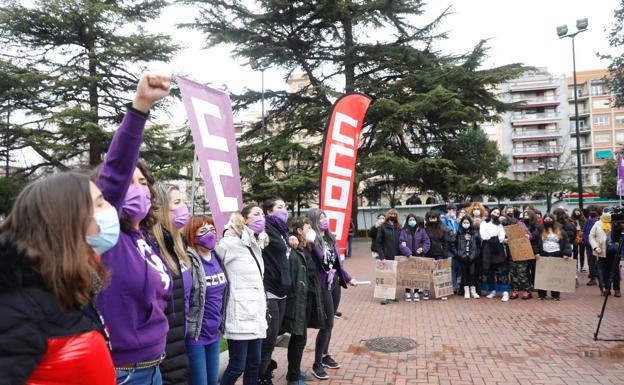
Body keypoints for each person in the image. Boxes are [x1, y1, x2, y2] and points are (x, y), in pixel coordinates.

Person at [0, 172, 116, 385]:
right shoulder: (19, 309)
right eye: (100, 204)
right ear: (67, 220)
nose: (111, 210)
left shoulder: (69, 284)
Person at [95, 74, 172, 385]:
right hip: (122, 372)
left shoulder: (144, 240)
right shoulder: (107, 237)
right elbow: (115, 171)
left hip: (153, 366)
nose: (137, 189)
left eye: (143, 183)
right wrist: (140, 106)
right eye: (129, 183)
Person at [217, 206, 269, 385]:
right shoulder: (229, 243)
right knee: (237, 366)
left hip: (256, 313)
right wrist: (227, 232)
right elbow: (216, 262)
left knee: (254, 363)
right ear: (245, 220)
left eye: (262, 214)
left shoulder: (255, 243)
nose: (261, 217)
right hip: (239, 314)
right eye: (256, 214)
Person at [306, 208, 357, 380]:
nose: (324, 220)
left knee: (331, 323)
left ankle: (325, 355)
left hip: (334, 282)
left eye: (325, 217)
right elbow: (319, 259)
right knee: (326, 324)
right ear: (313, 221)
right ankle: (317, 363)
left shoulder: (330, 238)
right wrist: (312, 238)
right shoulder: (311, 240)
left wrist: (348, 278)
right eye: (320, 218)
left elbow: (337, 264)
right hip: (321, 285)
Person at [152, 183, 192, 385]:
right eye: (177, 203)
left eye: (183, 202)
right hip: (162, 347)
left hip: (181, 339)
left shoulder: (179, 244)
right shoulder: (153, 247)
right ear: (159, 210)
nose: (184, 207)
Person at [258, 197, 297, 385]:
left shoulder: (282, 230)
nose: (284, 210)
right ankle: (261, 376)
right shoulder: (264, 227)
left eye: (285, 206)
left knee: (274, 336)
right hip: (269, 290)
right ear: (269, 212)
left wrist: (290, 237)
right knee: (269, 336)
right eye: (280, 207)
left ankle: (264, 368)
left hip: (282, 290)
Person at [184, 215, 226, 385]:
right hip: (196, 335)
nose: (209, 234)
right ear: (192, 236)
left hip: (214, 333)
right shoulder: (188, 261)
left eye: (212, 229)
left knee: (212, 381)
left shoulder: (218, 257)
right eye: (202, 231)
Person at [282, 217, 323, 385]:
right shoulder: (293, 248)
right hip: (298, 299)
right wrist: (288, 239)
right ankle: (293, 377)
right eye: (308, 228)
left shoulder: (308, 248)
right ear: (299, 231)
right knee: (299, 339)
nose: (311, 230)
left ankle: (294, 371)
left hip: (308, 297)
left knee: (300, 338)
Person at [531, 214, 572, 300]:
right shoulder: (539, 230)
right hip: (543, 254)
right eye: (546, 219)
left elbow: (566, 242)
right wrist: (536, 252)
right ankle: (542, 294)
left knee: (555, 275)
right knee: (542, 275)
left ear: (553, 220)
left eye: (550, 219)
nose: (548, 221)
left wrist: (566, 253)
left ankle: (555, 295)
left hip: (556, 253)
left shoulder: (560, 230)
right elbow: (533, 241)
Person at [479, 208, 510, 302]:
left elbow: (501, 237)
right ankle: (492, 290)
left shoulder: (500, 225)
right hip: (487, 247)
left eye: (498, 213)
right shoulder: (483, 223)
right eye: (494, 212)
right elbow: (483, 235)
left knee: (501, 270)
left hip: (498, 247)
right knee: (489, 269)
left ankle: (505, 292)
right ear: (490, 212)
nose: (496, 214)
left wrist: (494, 237)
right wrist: (493, 236)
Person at [399, 214, 430, 302]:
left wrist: (423, 249)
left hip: (418, 257)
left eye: (413, 219)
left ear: (416, 221)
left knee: (417, 275)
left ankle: (416, 292)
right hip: (408, 257)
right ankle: (408, 292)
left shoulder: (422, 231)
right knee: (407, 275)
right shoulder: (403, 231)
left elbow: (427, 242)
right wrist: (408, 253)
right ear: (407, 221)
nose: (412, 221)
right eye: (410, 220)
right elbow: (401, 244)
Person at [375, 209, 402, 305]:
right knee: (386, 277)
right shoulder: (382, 227)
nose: (393, 215)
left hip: (397, 256)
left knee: (394, 277)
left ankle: (392, 295)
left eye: (395, 214)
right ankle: (385, 297)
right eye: (391, 213)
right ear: (387, 215)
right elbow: (378, 243)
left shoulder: (399, 227)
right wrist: (382, 257)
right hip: (386, 256)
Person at [424, 210, 452, 300]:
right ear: (428, 218)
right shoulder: (424, 229)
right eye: (431, 218)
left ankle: (442, 292)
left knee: (440, 274)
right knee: (427, 274)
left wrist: (445, 253)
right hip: (427, 254)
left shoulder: (442, 228)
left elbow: (446, 242)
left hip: (440, 253)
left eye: (434, 217)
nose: (433, 219)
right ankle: (426, 291)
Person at [453, 216, 481, 299]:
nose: (466, 224)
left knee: (472, 274)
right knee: (464, 274)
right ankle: (466, 291)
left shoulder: (475, 233)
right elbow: (453, 245)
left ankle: (473, 290)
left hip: (472, 257)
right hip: (462, 257)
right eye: (464, 223)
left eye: (467, 223)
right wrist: (458, 254)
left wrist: (475, 255)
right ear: (461, 223)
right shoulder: (459, 233)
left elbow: (479, 246)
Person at [441, 205, 461, 294]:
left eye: (453, 209)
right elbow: (445, 229)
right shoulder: (443, 220)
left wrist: (458, 221)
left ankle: (456, 284)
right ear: (447, 211)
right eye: (449, 209)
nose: (451, 211)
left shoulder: (456, 220)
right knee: (451, 265)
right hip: (448, 246)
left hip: (457, 245)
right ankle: (453, 287)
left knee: (457, 266)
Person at [583, 208, 600, 286]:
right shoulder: (588, 222)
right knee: (593, 262)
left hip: (595, 245)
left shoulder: (598, 222)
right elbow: (584, 232)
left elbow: (584, 232)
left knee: (594, 262)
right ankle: (594, 278)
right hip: (591, 244)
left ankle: (595, 278)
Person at [571, 208, 586, 272]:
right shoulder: (571, 219)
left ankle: (582, 267)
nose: (577, 214)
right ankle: (575, 266)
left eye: (578, 213)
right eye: (576, 213)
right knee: (575, 252)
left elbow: (585, 228)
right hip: (575, 235)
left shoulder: (583, 219)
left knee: (582, 252)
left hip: (582, 235)